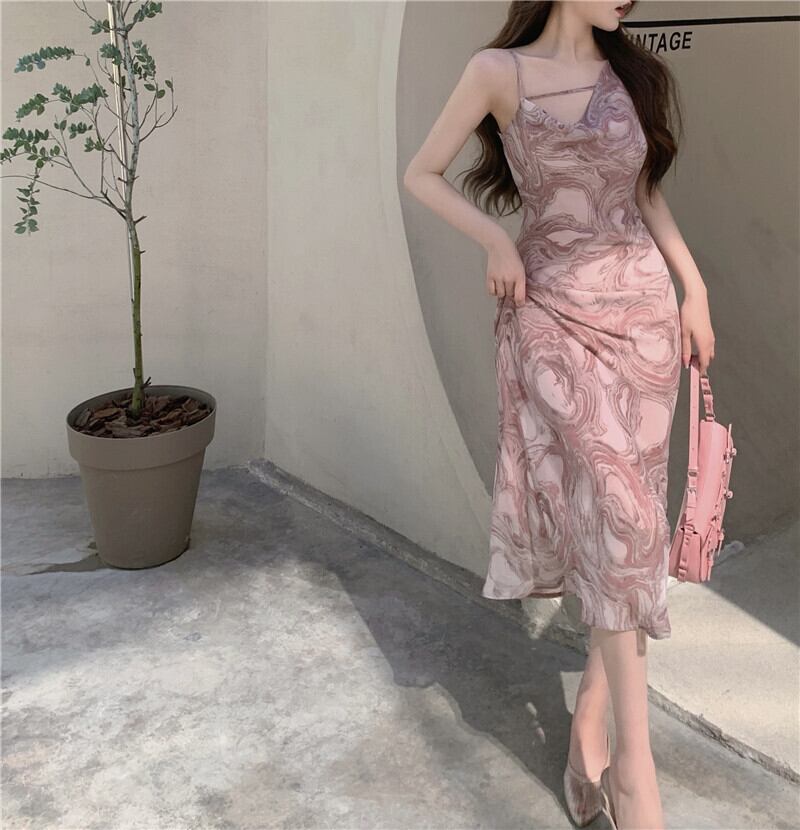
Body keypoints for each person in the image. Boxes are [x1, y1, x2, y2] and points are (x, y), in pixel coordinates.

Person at [403, 1, 716, 828]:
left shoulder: (633, 74)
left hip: (644, 318)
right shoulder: (497, 73)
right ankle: (635, 779)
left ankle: (588, 729)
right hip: (550, 312)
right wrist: (495, 240)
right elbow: (421, 174)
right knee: (622, 514)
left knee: (629, 529)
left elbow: (644, 193)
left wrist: (694, 289)